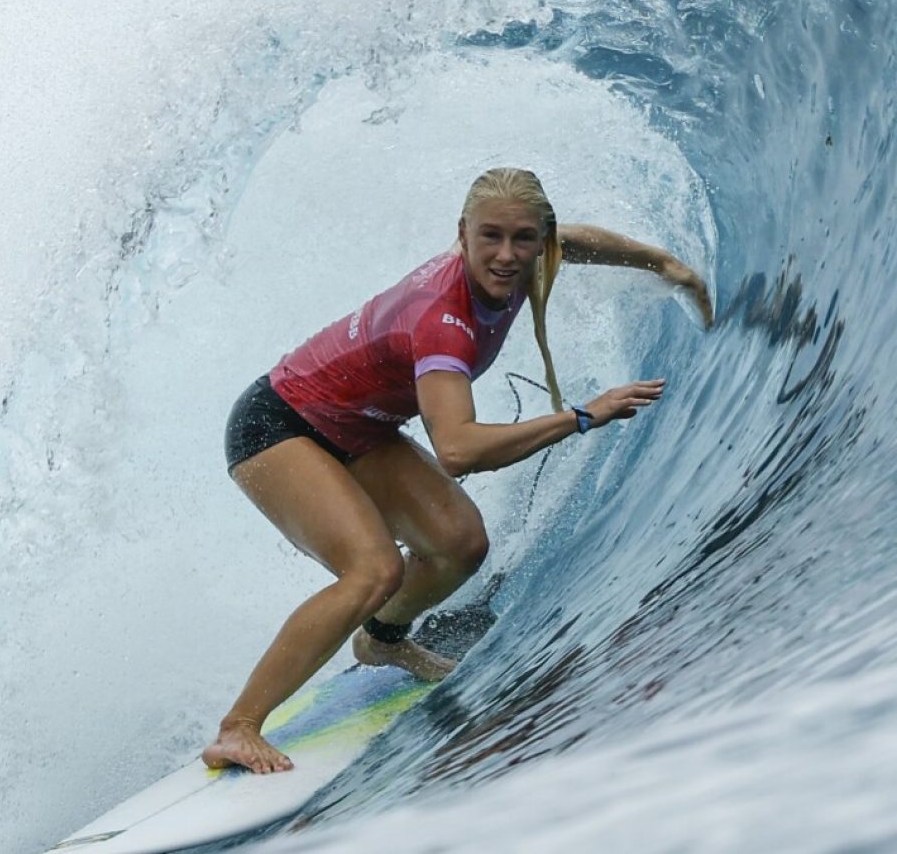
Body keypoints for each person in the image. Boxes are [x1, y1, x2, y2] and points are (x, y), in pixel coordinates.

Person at [203, 167, 713, 775]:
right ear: (462, 235)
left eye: (523, 239)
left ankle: (382, 642)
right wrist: (583, 415)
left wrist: (663, 264)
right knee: (374, 570)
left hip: (356, 425)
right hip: (278, 426)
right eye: (490, 238)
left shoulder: (523, 258)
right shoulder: (445, 322)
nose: (506, 255)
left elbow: (571, 241)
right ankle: (238, 727)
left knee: (459, 545)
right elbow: (459, 449)